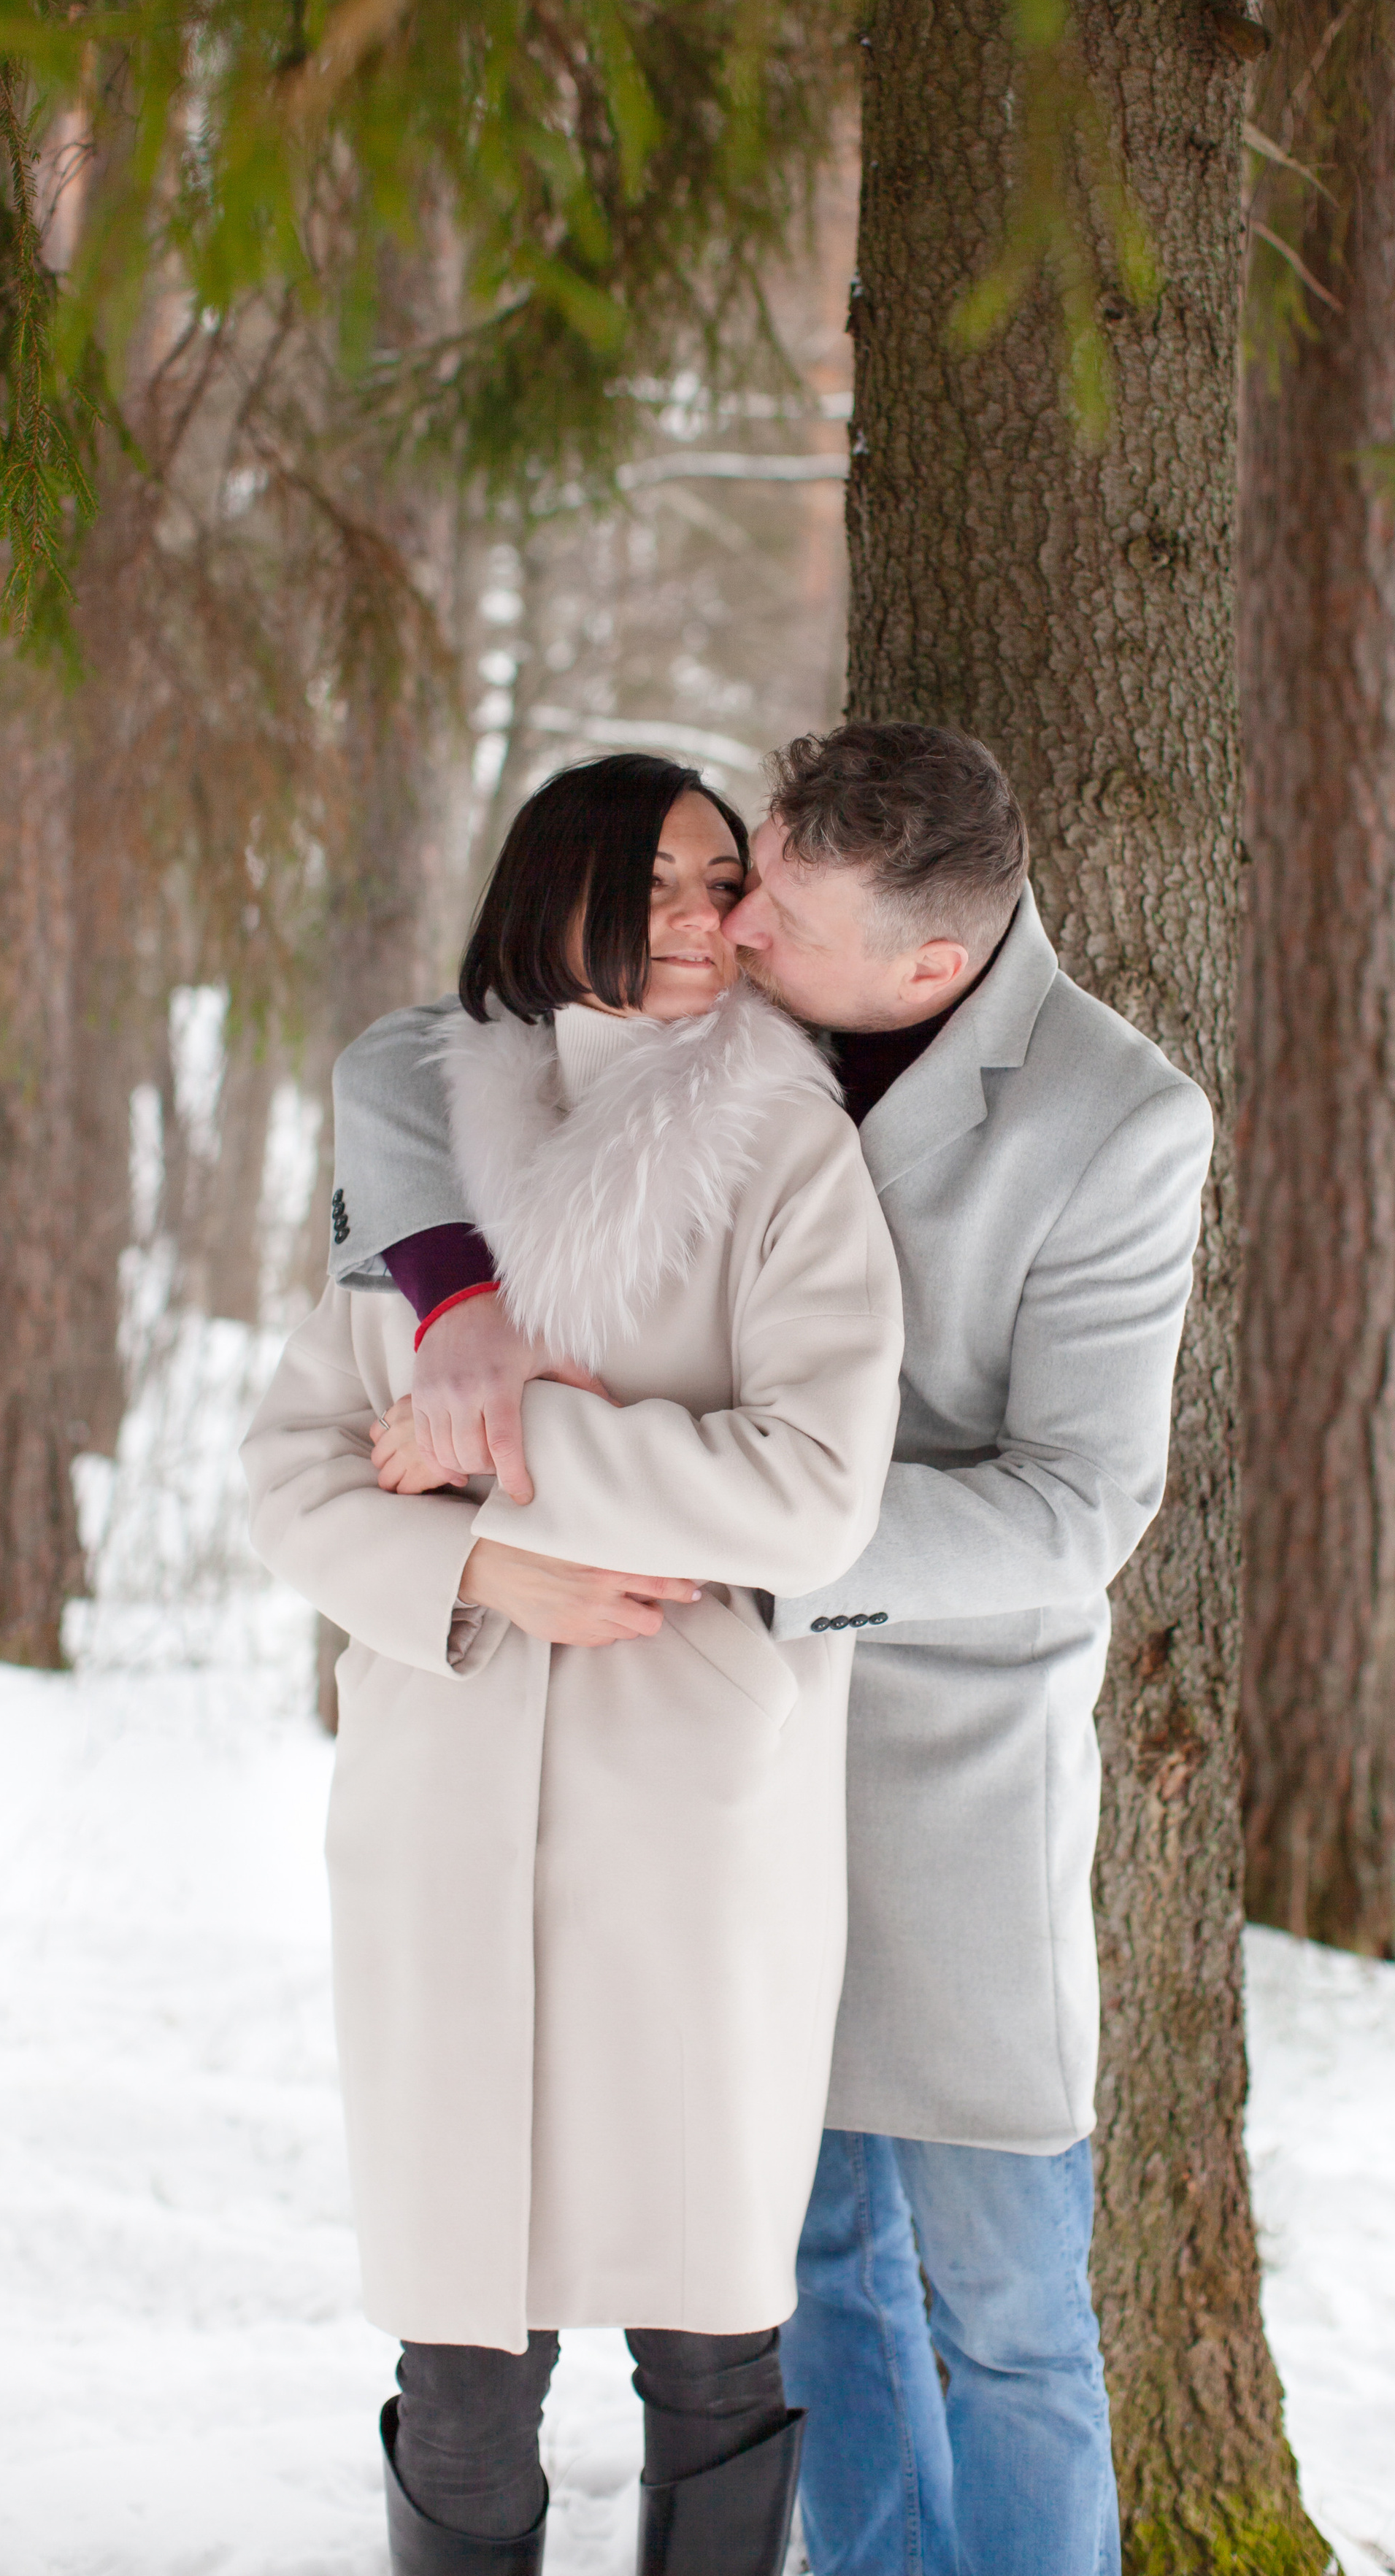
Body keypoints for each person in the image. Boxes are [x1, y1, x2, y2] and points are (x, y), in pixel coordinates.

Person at [330, 723, 1215, 2576]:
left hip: (922, 1733)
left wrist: (711, 1538)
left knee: (999, 2301)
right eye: (738, 878)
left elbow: (1073, 1506)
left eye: (768, 909)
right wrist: (460, 1309)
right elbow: (420, 1062)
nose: (725, 930)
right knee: (791, 2272)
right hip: (691, 1764)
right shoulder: (707, 1007)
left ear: (922, 968)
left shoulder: (1109, 1119)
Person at [243, 753, 904, 2576]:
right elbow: (293, 1474)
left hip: (687, 1820)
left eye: (726, 887)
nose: (718, 921)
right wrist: (485, 1566)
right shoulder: (419, 1154)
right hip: (443, 1803)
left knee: (706, 2334)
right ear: (565, 895)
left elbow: (818, 1493)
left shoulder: (786, 1150)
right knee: (461, 2357)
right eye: (677, 884)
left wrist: (515, 1436)